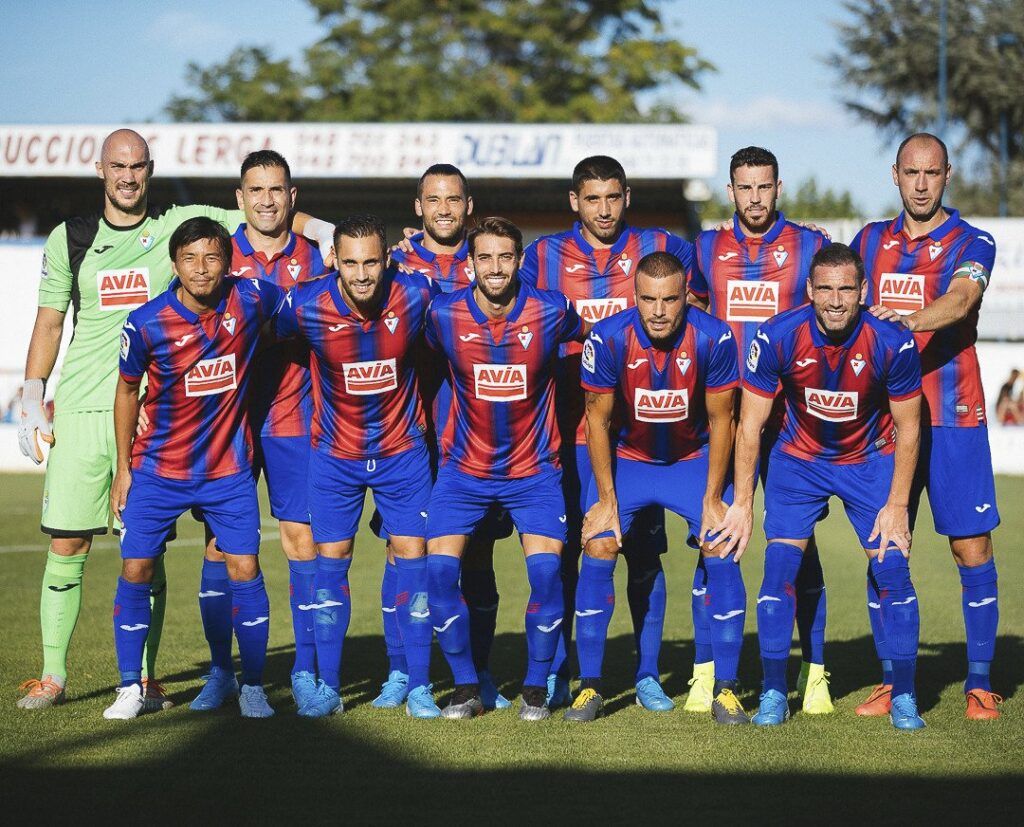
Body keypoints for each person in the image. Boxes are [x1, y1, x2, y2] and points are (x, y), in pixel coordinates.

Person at [16, 129, 334, 711]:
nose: (129, 176)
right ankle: (56, 675)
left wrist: (324, 230)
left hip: (214, 418)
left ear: (151, 170)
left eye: (138, 166)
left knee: (174, 552)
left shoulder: (181, 223)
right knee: (73, 542)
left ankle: (163, 678)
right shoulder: (73, 238)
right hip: (98, 407)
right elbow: (48, 320)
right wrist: (33, 389)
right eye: (118, 166)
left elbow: (269, 211)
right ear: (100, 170)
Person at [717, 243, 926, 731]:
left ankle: (906, 695)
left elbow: (910, 427)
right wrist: (744, 502)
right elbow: (749, 426)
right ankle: (773, 692)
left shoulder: (892, 341)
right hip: (797, 461)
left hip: (869, 460)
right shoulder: (777, 335)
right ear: (809, 290)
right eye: (826, 289)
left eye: (846, 289)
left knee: (893, 569)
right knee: (779, 569)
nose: (835, 300)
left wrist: (897, 504)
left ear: (863, 291)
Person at [520, 155, 693, 711]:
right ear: (574, 201)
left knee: (643, 553)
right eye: (592, 199)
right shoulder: (543, 256)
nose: (603, 209)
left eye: (612, 197)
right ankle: (564, 673)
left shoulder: (659, 245)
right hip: (567, 429)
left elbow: (700, 307)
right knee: (574, 552)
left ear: (627, 197)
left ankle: (645, 674)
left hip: (641, 435)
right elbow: (509, 314)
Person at [852, 133, 1003, 720]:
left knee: (970, 547)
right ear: (895, 174)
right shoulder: (868, 241)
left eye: (931, 173)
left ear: (947, 176)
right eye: (911, 172)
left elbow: (963, 300)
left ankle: (981, 680)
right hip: (885, 420)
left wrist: (903, 321)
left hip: (953, 414)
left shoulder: (973, 240)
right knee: (885, 547)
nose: (921, 183)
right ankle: (893, 678)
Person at [106, 217, 283, 719]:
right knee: (136, 567)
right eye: (190, 258)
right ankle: (129, 687)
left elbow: (303, 302)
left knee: (245, 568)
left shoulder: (250, 299)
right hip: (159, 468)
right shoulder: (145, 323)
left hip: (227, 470)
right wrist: (124, 467)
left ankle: (251, 686)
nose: (201, 270)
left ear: (228, 261)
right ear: (174, 264)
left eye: (212, 258)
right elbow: (125, 391)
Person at [565, 251, 745, 724]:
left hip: (692, 460)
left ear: (686, 296)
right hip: (629, 462)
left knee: (721, 547)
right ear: (634, 296)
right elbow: (597, 421)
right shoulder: (607, 338)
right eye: (648, 299)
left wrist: (711, 498)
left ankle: (725, 689)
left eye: (669, 299)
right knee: (599, 546)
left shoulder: (715, 337)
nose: (659, 311)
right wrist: (606, 501)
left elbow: (722, 419)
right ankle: (590, 687)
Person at [275, 215, 440, 718]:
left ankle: (417, 686)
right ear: (334, 261)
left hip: (403, 452)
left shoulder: (416, 295)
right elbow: (260, 342)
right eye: (351, 263)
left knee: (413, 557)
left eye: (372, 262)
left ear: (387, 259)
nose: (363, 274)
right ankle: (327, 686)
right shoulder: (305, 304)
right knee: (332, 562)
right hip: (335, 456)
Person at [688, 146, 833, 716]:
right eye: (744, 187)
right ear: (730, 191)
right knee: (714, 541)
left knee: (799, 548)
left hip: (792, 419)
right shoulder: (703, 247)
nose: (754, 198)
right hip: (723, 417)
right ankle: (705, 673)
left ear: (778, 188)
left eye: (764, 187)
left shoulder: (811, 245)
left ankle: (814, 672)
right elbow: (686, 303)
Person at [424, 216, 586, 721]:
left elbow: (595, 339)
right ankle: (466, 685)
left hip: (534, 470)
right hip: (463, 471)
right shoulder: (444, 314)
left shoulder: (552, 310)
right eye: (485, 258)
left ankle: (536, 686)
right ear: (470, 264)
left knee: (546, 574)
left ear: (520, 261)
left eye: (505, 257)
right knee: (439, 572)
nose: (495, 268)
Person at [187, 150, 329, 712]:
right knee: (221, 546)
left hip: (297, 417)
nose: (267, 200)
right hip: (229, 423)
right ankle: (223, 672)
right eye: (256, 189)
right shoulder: (217, 254)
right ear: (239, 196)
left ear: (293, 198)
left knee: (302, 542)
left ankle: (304, 671)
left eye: (278, 190)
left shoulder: (319, 255)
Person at [381, 164, 513, 711]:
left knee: (476, 558)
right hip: (409, 433)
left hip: (474, 436)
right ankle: (401, 673)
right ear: (418, 207)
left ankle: (478, 673)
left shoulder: (486, 262)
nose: (443, 209)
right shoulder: (395, 265)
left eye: (453, 199)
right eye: (433, 199)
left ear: (468, 204)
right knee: (402, 553)